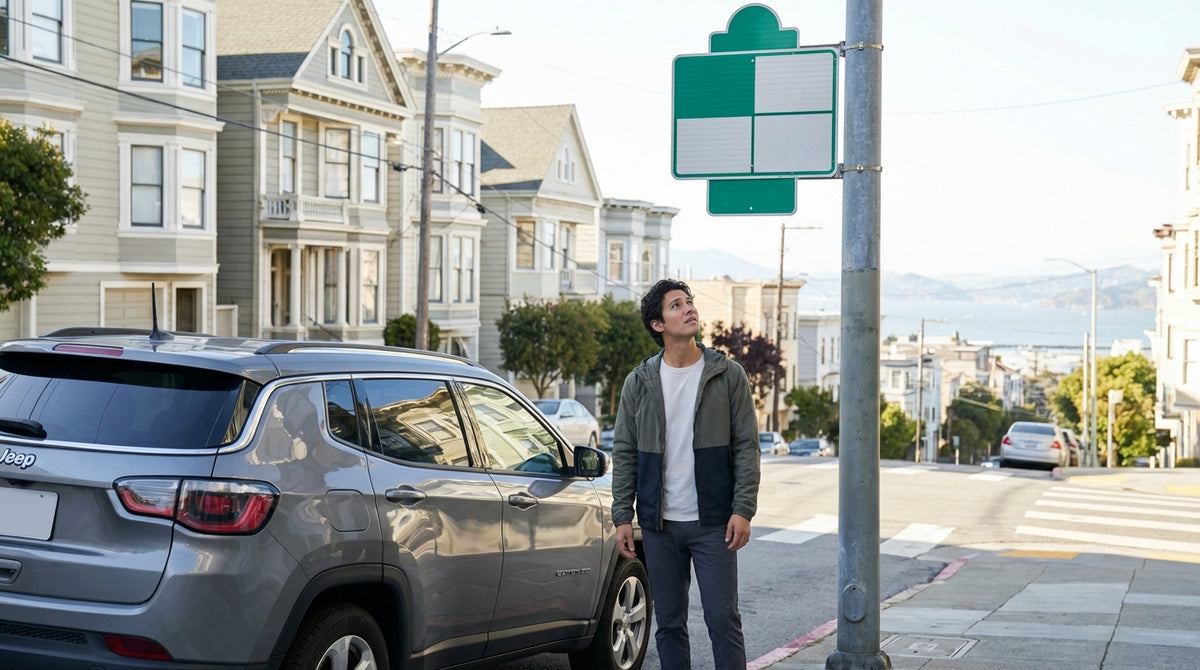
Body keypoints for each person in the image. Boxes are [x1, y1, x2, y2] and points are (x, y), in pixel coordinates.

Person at [611, 278, 761, 670]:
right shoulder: (639, 382)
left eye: (689, 302)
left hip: (713, 522)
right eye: (676, 305)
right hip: (659, 526)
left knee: (722, 620)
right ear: (658, 325)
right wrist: (621, 515)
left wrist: (743, 509)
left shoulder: (728, 376)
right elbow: (625, 451)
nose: (689, 309)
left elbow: (747, 447)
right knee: (669, 625)